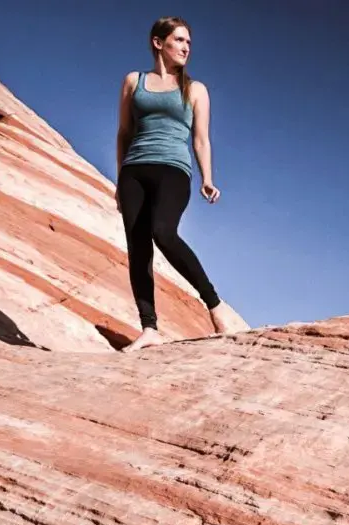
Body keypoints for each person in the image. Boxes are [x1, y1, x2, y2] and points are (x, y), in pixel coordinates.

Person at [116, 16, 248, 351]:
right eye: (179, 40)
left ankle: (215, 307)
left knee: (163, 232)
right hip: (135, 169)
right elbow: (124, 133)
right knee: (138, 248)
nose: (186, 47)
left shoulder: (196, 89)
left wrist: (208, 177)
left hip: (173, 169)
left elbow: (201, 140)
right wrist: (120, 179)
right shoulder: (134, 81)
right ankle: (149, 328)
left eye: (189, 42)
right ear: (158, 43)